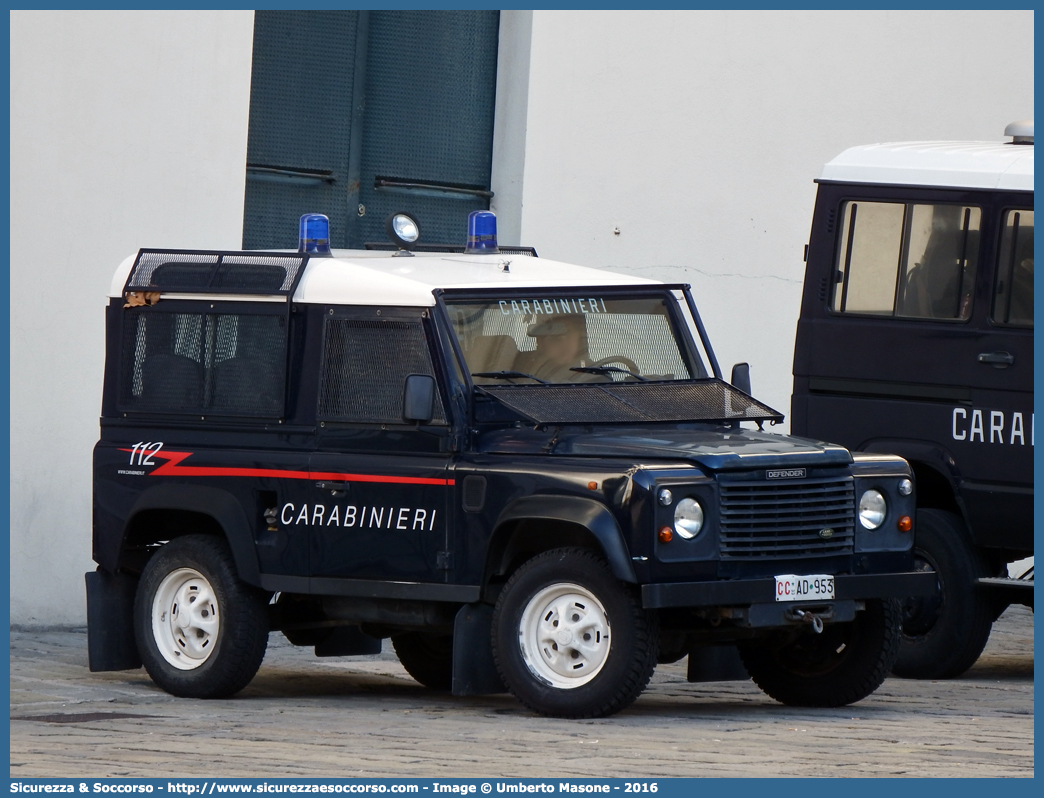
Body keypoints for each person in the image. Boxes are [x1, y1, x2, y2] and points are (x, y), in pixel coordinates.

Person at [513, 314, 592, 383]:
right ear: (540, 341)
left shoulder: (595, 377)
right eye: (557, 339)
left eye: (570, 338)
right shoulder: (517, 376)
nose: (565, 346)